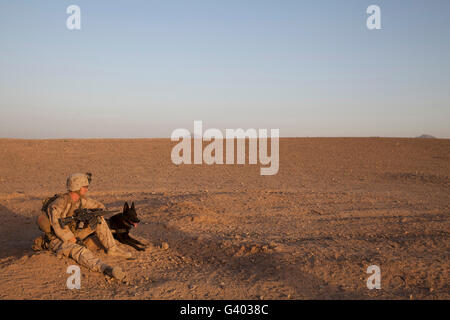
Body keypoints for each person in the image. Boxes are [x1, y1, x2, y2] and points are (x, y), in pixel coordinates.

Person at [35, 173, 131, 280]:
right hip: (57, 238)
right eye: (84, 187)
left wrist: (96, 212)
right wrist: (72, 239)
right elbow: (57, 225)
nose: (86, 189)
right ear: (77, 187)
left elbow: (97, 205)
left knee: (98, 219)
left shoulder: (80, 200)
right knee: (80, 250)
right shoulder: (59, 203)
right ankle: (105, 268)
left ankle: (112, 248)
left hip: (73, 232)